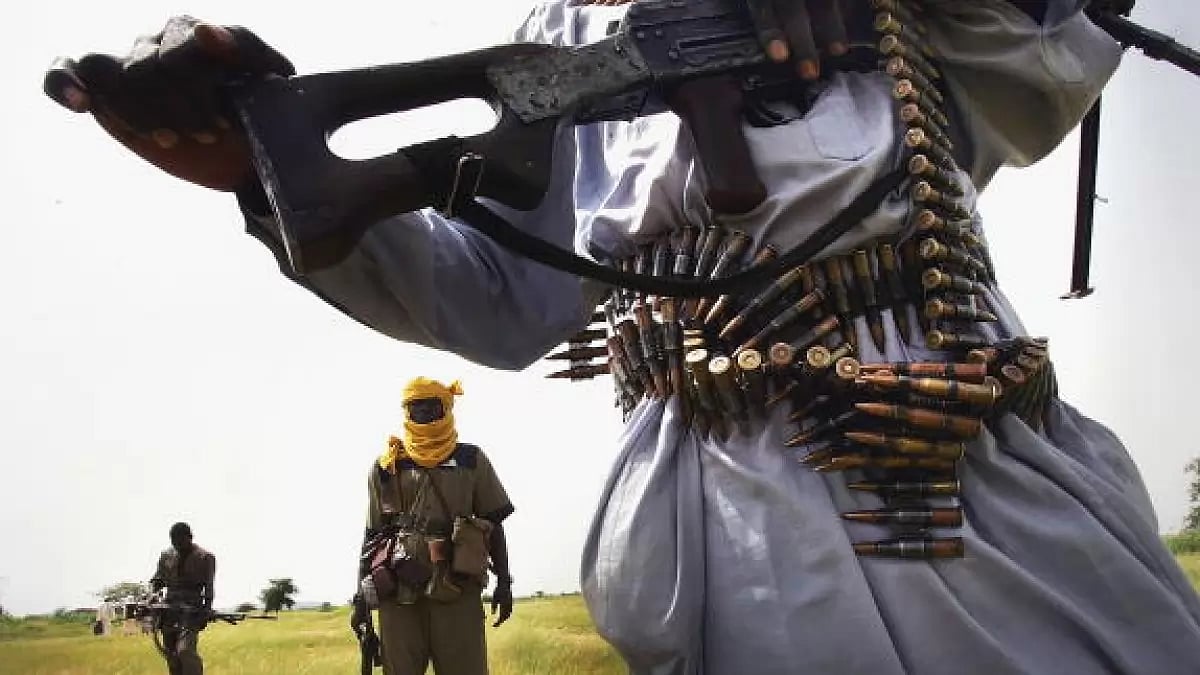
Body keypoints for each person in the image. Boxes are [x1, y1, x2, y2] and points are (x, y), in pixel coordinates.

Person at [43, 1, 1200, 673]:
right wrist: (265, 173)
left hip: (946, 452)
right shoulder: (571, 24)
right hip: (700, 488)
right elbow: (504, 299)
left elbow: (1049, 44)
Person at [353, 376, 515, 675]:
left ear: (447, 408)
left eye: (431, 406)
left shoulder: (471, 459)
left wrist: (504, 581)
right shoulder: (387, 465)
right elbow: (373, 535)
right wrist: (360, 598)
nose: (423, 414)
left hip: (458, 587)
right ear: (406, 412)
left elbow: (493, 523)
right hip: (399, 591)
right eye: (415, 407)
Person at [149, 522, 216, 675]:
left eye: (180, 541)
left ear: (190, 537)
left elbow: (209, 587)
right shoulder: (166, 555)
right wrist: (153, 595)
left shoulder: (205, 557)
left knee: (185, 650)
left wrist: (207, 609)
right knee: (171, 655)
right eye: (173, 542)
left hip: (191, 611)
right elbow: (158, 580)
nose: (177, 545)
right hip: (168, 610)